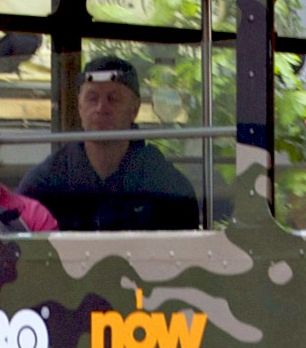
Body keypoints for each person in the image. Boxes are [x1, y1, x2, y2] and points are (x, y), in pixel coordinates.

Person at [16, 55, 200, 231]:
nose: (101, 108)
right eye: (92, 98)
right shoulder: (44, 185)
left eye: (113, 99)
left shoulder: (168, 187)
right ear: (80, 107)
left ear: (134, 109)